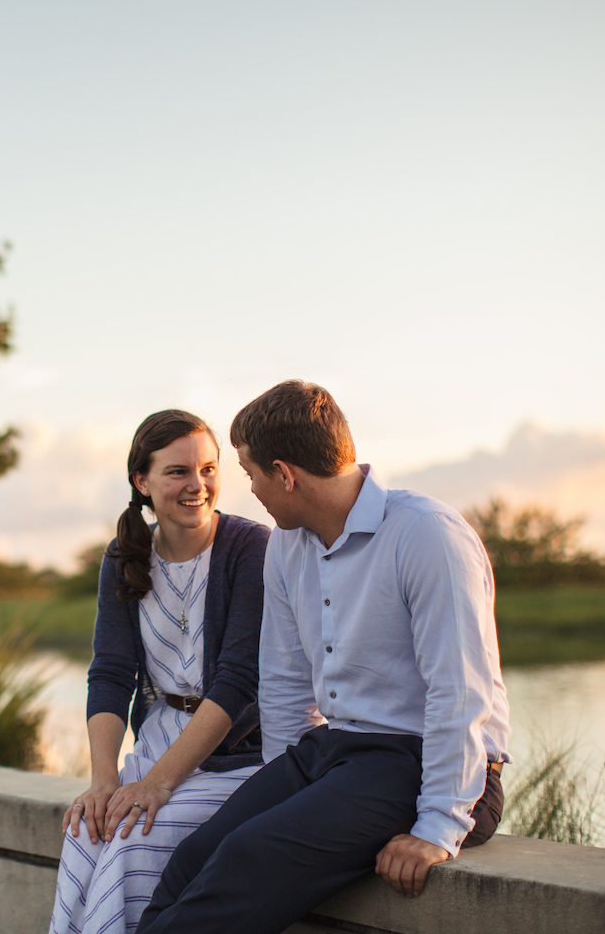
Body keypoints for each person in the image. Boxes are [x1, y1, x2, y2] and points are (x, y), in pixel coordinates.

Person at [137, 381, 510, 934]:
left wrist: (436, 829)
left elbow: (459, 695)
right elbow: (286, 684)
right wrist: (279, 795)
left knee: (250, 858)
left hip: (426, 762)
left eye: (251, 473)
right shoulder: (288, 546)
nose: (250, 489)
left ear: (285, 474)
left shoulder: (427, 536)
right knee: (196, 855)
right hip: (335, 752)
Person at [49, 409, 270, 934]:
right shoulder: (125, 555)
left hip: (239, 759)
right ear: (142, 481)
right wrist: (105, 780)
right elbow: (109, 674)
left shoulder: (249, 549)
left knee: (131, 840)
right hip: (156, 746)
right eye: (178, 472)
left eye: (209, 469)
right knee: (86, 831)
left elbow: (238, 682)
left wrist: (156, 786)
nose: (198, 485)